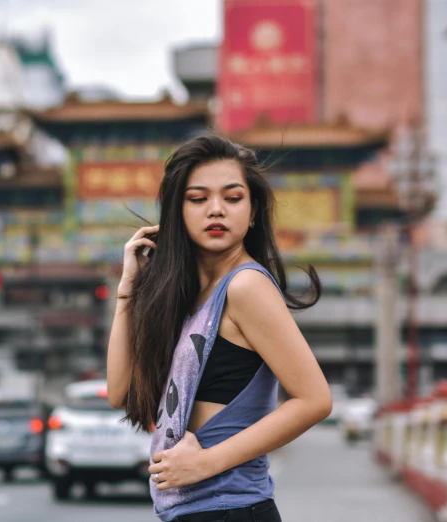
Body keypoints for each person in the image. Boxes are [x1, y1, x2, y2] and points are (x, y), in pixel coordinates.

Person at [106, 135, 333, 522]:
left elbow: (314, 400)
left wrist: (206, 463)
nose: (216, 210)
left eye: (232, 198)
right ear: (178, 211)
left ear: (253, 210)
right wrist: (128, 289)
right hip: (194, 511)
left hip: (231, 508)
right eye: (197, 199)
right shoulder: (187, 299)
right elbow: (118, 390)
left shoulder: (246, 287)